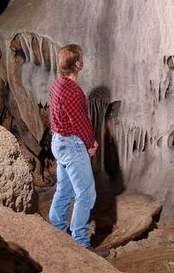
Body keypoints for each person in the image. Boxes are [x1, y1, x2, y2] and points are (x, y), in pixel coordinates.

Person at [48, 43, 109, 258]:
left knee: (64, 189)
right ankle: (80, 243)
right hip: (72, 145)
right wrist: (91, 143)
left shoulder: (57, 85)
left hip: (58, 141)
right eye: (81, 58)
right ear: (78, 64)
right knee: (86, 193)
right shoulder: (74, 92)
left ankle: (55, 230)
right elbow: (81, 121)